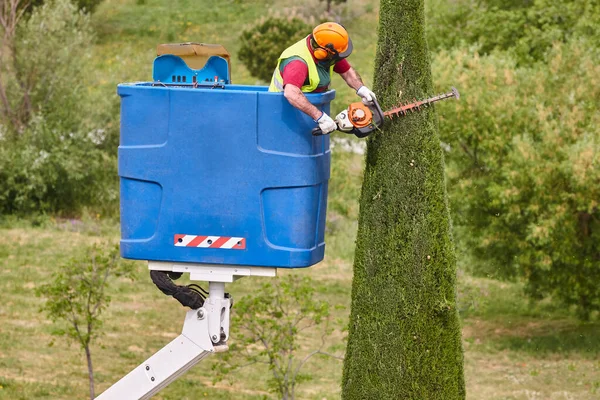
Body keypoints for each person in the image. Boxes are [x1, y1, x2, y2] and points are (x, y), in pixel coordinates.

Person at [268, 22, 376, 135]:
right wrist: (320, 117)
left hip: (306, 111)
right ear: (322, 53)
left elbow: (347, 72)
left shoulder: (326, 49)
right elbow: (291, 94)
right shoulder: (297, 63)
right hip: (283, 113)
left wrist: (362, 89)